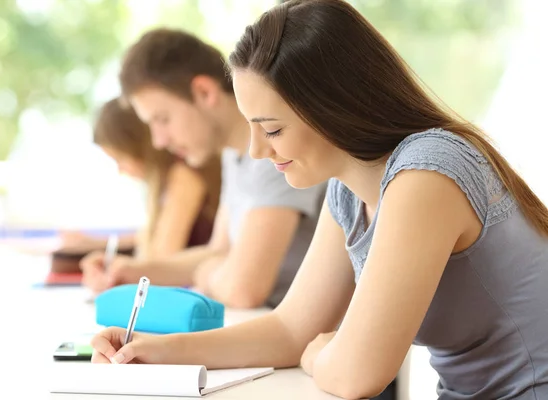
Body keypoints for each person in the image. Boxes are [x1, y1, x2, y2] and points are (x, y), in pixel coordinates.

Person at [89, 1, 548, 399]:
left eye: (271, 129)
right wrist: (151, 350)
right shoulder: (348, 188)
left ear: (332, 107)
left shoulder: (426, 173)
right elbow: (291, 328)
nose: (256, 151)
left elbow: (356, 374)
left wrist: (319, 352)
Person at [80, 28, 326, 308]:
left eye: (162, 119)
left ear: (204, 92)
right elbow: (219, 250)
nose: (159, 141)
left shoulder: (274, 154)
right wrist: (133, 271)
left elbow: (243, 289)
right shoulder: (233, 155)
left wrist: (205, 273)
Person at [80, 98, 222, 293]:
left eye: (120, 159)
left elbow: (161, 254)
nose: (121, 170)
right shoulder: (161, 186)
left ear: (139, 147)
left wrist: (122, 271)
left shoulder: (184, 176)